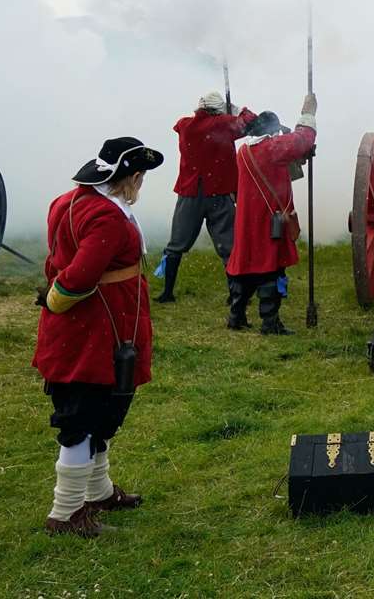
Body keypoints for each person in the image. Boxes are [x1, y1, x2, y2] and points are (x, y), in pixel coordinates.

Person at [33, 136, 165, 537]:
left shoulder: (66, 200)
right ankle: (67, 512)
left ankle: (99, 491)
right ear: (131, 177)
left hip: (90, 325)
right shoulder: (108, 217)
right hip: (95, 329)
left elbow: (56, 258)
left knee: (102, 412)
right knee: (83, 418)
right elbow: (80, 275)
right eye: (140, 177)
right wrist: (56, 300)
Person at [225, 95, 317, 335]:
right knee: (271, 268)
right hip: (269, 219)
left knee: (244, 267)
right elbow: (303, 139)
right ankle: (270, 322)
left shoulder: (244, 151)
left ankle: (236, 316)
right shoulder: (274, 148)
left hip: (247, 219)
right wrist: (308, 113)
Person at [158, 91, 258, 303]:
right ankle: (236, 295)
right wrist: (238, 110)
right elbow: (253, 121)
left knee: (176, 245)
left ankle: (167, 292)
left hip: (190, 193)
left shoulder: (185, 125)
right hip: (219, 193)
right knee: (229, 248)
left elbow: (182, 126)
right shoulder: (224, 124)